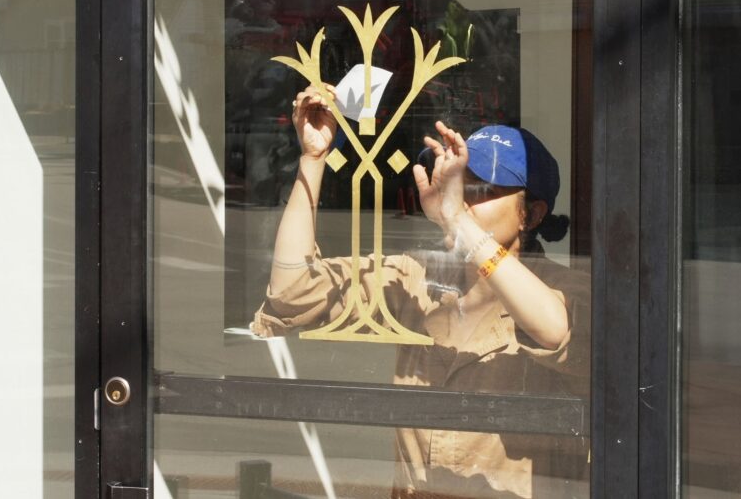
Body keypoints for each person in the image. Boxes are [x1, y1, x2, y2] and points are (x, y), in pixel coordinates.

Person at [251, 85, 589, 498]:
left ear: (531, 213)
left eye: (483, 189)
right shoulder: (419, 279)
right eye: (459, 182)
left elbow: (556, 331)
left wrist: (459, 224)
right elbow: (292, 293)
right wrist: (313, 159)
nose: (463, 198)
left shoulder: (565, 289)